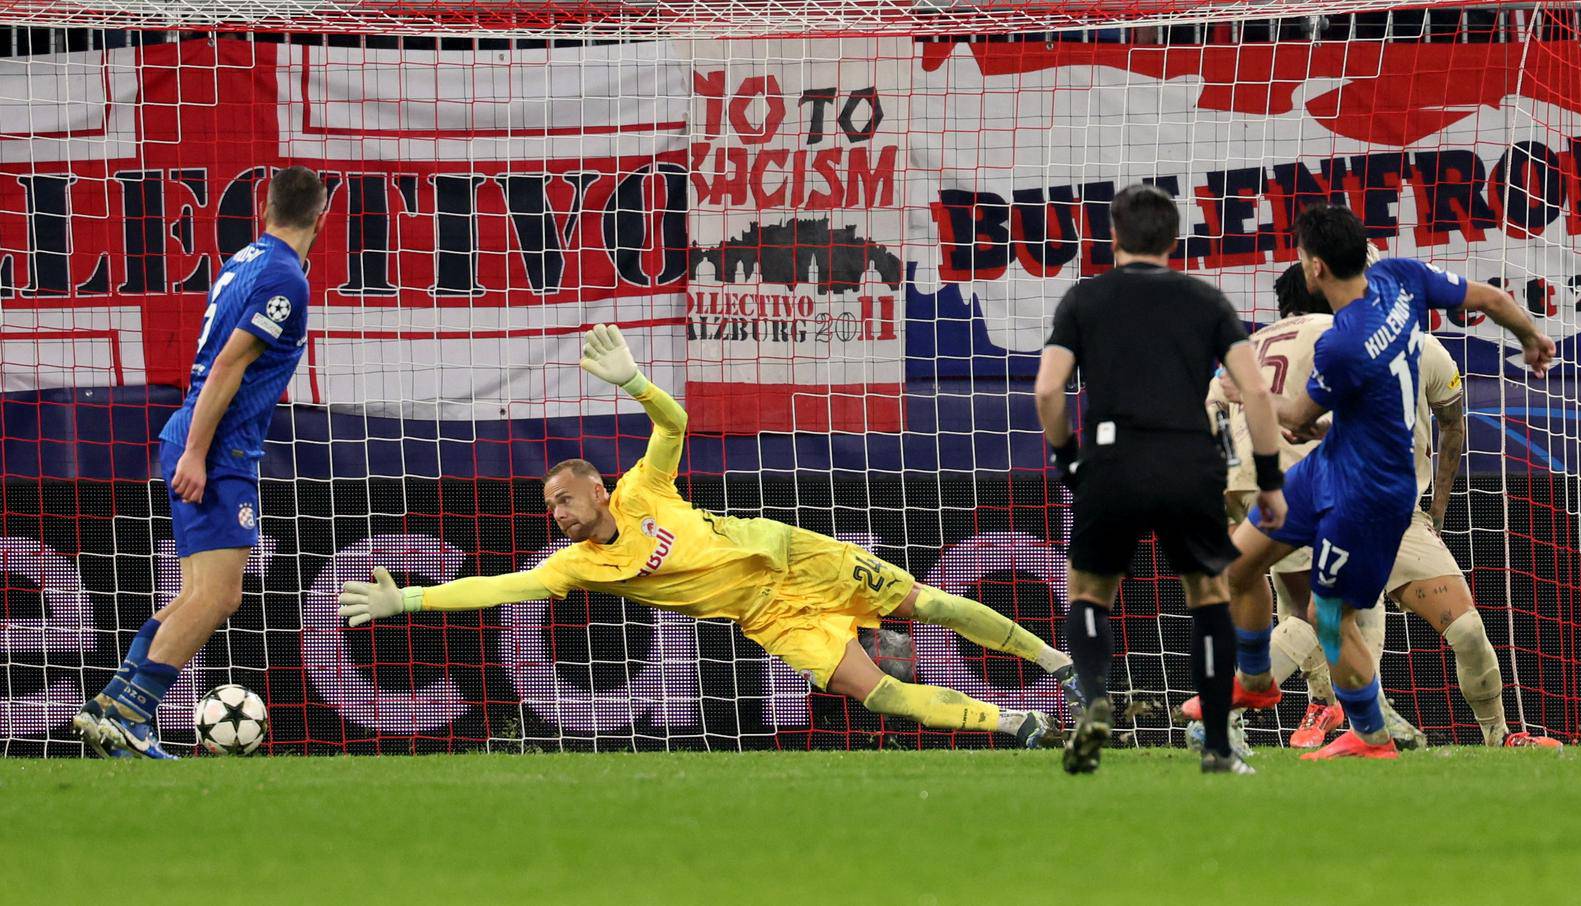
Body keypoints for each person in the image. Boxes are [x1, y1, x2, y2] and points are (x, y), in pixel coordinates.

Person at [339, 325, 1079, 746]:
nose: (559, 515)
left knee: (934, 606)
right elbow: (499, 587)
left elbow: (674, 424)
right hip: (771, 617)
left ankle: (1058, 664)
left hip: (797, 557)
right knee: (881, 695)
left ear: (596, 487)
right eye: (551, 508)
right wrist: (411, 600)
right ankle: (1019, 722)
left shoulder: (643, 487)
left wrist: (634, 382)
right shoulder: (577, 566)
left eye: (565, 498)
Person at [1220, 205, 1556, 760]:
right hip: (1337, 477)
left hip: (1352, 494)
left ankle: (1383, 726)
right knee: (1300, 600)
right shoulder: (1398, 291)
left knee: (1324, 616)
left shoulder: (1320, 346)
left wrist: (1248, 403)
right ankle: (1292, 701)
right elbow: (1490, 314)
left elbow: (1295, 420)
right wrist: (1533, 338)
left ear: (1314, 267)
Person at [73, 166, 329, 758]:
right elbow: (228, 367)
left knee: (195, 594)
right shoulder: (285, 279)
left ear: (263, 208)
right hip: (217, 445)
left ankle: (111, 705)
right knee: (219, 598)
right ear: (321, 219)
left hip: (197, 433)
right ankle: (135, 713)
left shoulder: (242, 260)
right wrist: (197, 452)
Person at [1032, 184, 1287, 776]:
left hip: (1111, 460)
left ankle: (1095, 700)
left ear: (1114, 237)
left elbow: (1048, 390)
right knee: (1208, 598)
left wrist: (1066, 457)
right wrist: (1270, 480)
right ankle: (1219, 745)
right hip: (1188, 461)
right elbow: (1253, 391)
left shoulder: (1084, 299)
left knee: (1091, 592)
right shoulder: (1205, 299)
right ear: (1174, 241)